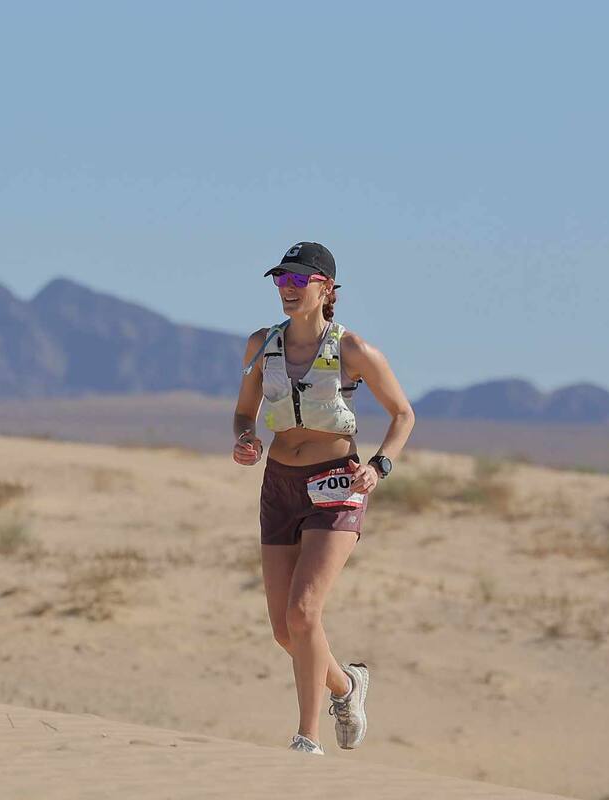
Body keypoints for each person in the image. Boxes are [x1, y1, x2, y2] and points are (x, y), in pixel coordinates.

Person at [231, 242, 414, 754]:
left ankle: (306, 739)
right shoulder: (259, 346)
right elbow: (244, 411)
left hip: (337, 481)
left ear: (326, 289)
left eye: (298, 280)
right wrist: (244, 439)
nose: (287, 289)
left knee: (305, 613)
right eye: (280, 280)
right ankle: (347, 686)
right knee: (286, 633)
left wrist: (379, 465)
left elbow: (403, 414)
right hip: (279, 484)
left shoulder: (353, 350)